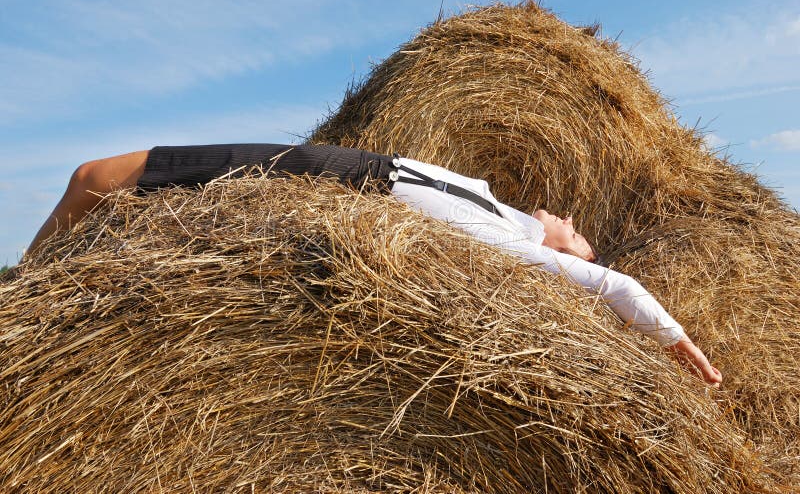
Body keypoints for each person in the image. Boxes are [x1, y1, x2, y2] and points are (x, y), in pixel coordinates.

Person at [27, 143, 722, 386]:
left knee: (96, 175)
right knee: (95, 177)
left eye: (576, 231)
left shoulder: (512, 246)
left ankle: (21, 301)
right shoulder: (500, 210)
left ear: (573, 250)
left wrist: (673, 338)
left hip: (344, 177)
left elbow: (613, 285)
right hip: (350, 170)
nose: (564, 216)